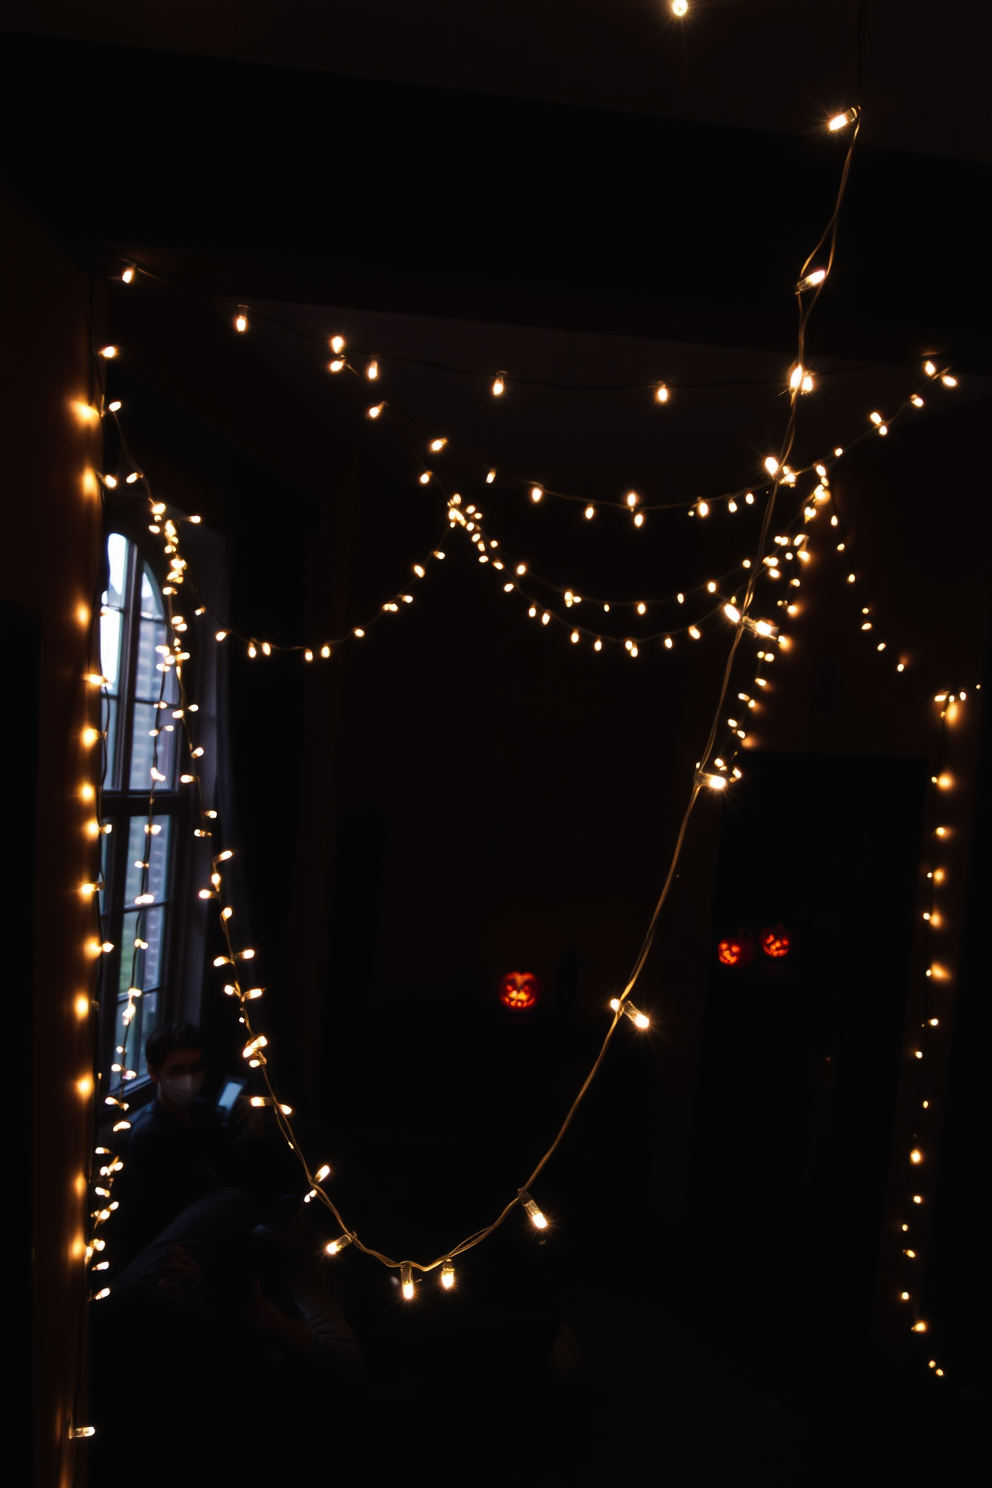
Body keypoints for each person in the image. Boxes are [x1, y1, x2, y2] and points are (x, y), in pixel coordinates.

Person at [122, 1021, 236, 1256]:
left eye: (195, 1068)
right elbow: (161, 1222)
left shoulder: (203, 1112)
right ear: (154, 1072)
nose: (189, 1079)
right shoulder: (149, 1136)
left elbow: (230, 1166)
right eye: (177, 1070)